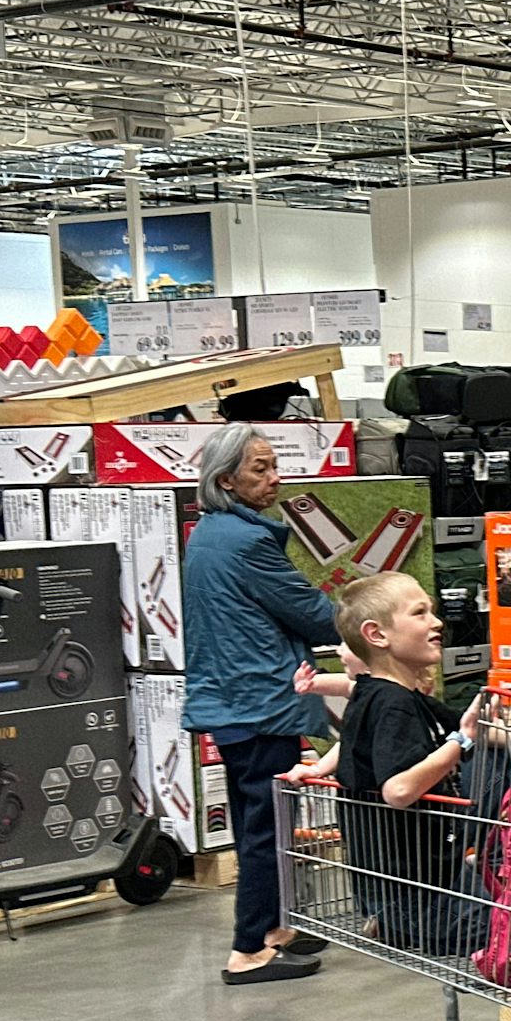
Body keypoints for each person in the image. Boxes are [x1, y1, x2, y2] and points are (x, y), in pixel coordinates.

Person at [182, 422, 339, 985]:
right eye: (260, 469)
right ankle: (248, 949)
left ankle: (276, 930)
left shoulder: (210, 533)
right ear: (227, 480)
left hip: (233, 699)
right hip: (258, 701)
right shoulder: (248, 542)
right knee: (265, 828)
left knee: (261, 820)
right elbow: (312, 613)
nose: (274, 478)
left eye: (274, 465)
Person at [329, 574, 489, 956]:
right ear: (377, 635)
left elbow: (353, 752)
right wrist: (460, 742)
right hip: (426, 903)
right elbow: (398, 790)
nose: (436, 622)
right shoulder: (394, 704)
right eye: (420, 613)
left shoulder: (374, 694)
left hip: (397, 899)